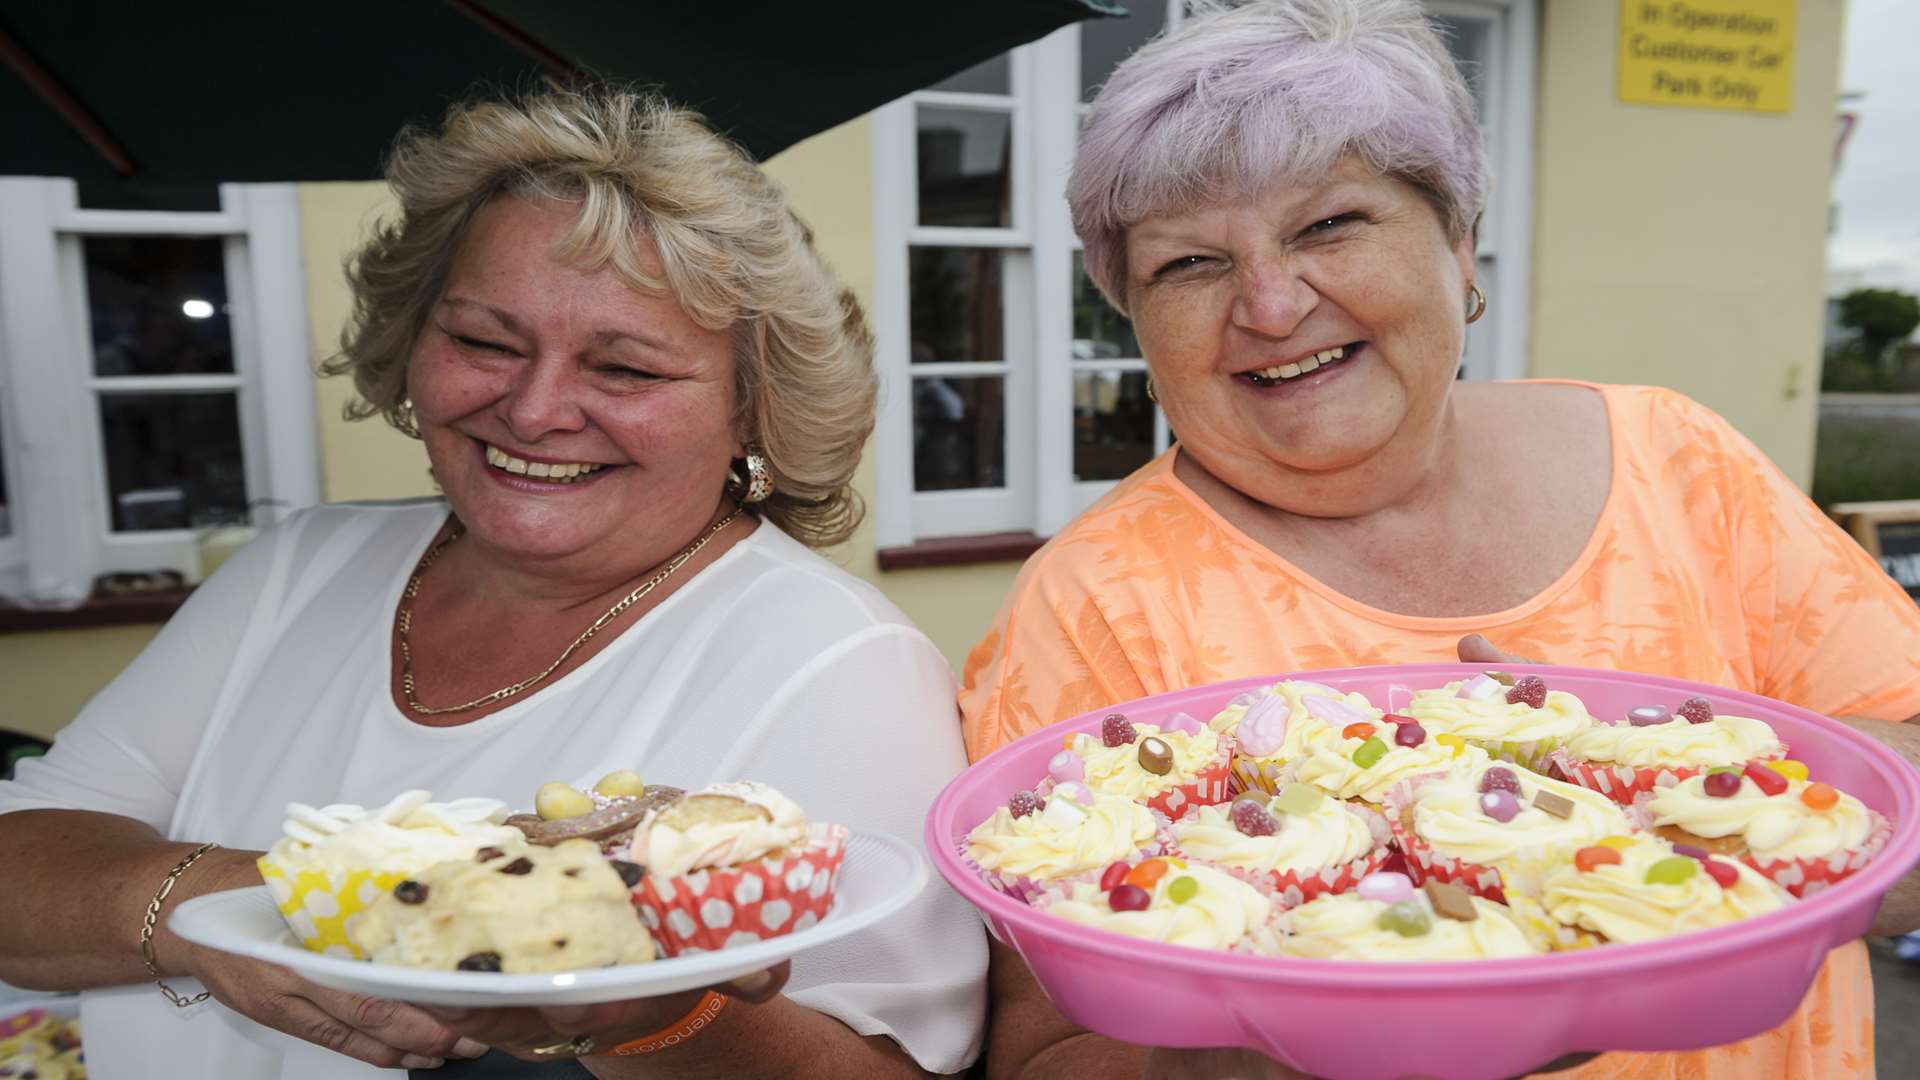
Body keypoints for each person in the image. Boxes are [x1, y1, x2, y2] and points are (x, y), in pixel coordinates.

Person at [957, 2, 1920, 1077]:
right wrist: (1272, 1058)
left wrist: (1676, 787)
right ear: (1132, 321)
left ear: (1459, 244)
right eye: (1188, 265)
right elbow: (1040, 1049)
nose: (1272, 305)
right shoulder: (1094, 602)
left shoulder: (1678, 461)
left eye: (1330, 226)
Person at [0, 88, 986, 1080]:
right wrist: (224, 906)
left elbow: (886, 1072)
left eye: (627, 370)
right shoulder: (300, 568)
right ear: (413, 341)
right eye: (484, 342)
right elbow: (19, 864)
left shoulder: (837, 660)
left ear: (751, 411)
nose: (536, 408)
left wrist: (649, 1011)